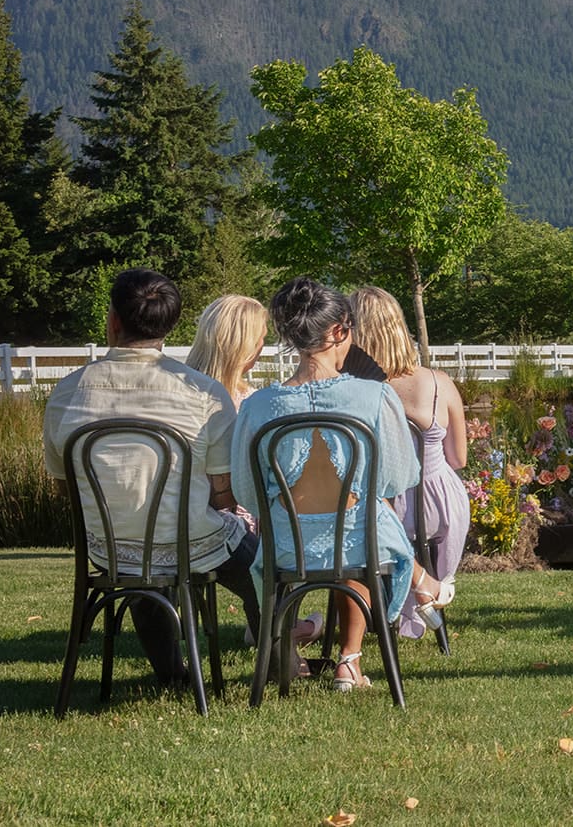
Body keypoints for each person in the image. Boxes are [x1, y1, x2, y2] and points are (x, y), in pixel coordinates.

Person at [42, 269, 261, 686]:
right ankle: (280, 663)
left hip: (108, 550)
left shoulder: (67, 393)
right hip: (190, 544)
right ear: (169, 325)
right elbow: (223, 494)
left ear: (114, 321)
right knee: (259, 567)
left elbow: (63, 488)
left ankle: (171, 673)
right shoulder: (203, 393)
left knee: (141, 561)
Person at [231, 278, 449, 692]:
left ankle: (307, 652)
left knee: (362, 516)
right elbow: (398, 477)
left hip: (286, 546)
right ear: (340, 330)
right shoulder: (374, 396)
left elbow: (246, 491)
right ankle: (352, 660)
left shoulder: (259, 406)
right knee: (370, 514)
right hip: (357, 542)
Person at [186, 293, 324, 649]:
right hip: (226, 515)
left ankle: (267, 622)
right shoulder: (246, 402)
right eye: (260, 338)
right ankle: (278, 630)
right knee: (283, 524)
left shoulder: (185, 392)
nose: (263, 346)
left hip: (184, 512)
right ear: (242, 345)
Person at [349, 285, 468, 637]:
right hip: (438, 506)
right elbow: (458, 458)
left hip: (381, 506)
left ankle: (383, 601)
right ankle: (423, 585)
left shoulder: (352, 391)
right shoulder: (438, 383)